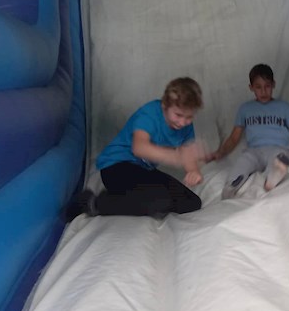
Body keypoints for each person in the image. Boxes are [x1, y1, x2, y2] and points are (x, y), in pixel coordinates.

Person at [69, 77, 207, 219]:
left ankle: (139, 199)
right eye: (178, 115)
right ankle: (94, 203)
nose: (183, 122)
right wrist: (173, 157)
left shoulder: (185, 126)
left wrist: (193, 171)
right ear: (165, 105)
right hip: (116, 166)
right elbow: (139, 148)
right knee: (160, 200)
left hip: (143, 170)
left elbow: (187, 153)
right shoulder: (149, 114)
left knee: (191, 203)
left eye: (189, 117)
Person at [210, 64, 289, 199]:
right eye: (258, 87)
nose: (263, 91)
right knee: (243, 162)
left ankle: (272, 179)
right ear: (251, 87)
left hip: (279, 148)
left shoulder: (285, 108)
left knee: (281, 159)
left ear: (273, 85)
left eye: (267, 86)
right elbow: (234, 138)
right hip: (254, 150)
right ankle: (231, 187)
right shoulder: (245, 109)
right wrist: (221, 152)